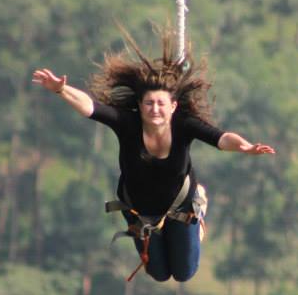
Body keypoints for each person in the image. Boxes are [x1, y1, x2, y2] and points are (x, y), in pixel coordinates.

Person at [32, 30, 275, 282]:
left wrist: (245, 147)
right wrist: (61, 90)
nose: (155, 109)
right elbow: (90, 108)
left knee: (184, 273)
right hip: (140, 210)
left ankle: (199, 209)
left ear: (173, 106)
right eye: (149, 104)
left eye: (161, 104)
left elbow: (222, 139)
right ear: (140, 105)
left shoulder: (184, 125)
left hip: (179, 207)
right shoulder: (127, 122)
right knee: (158, 273)